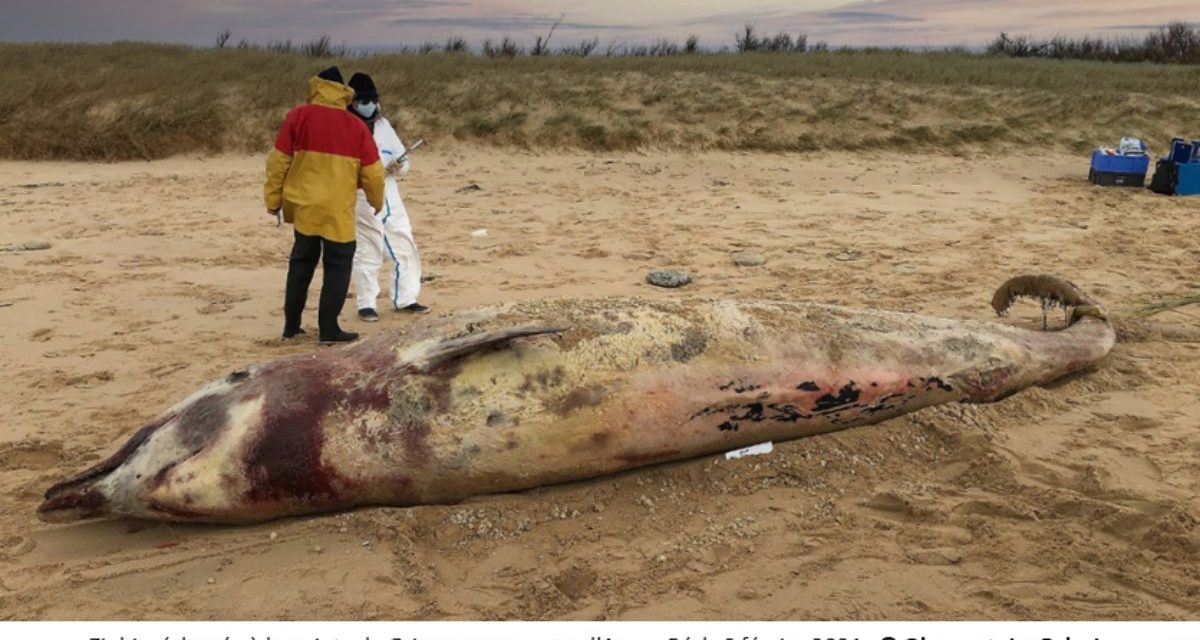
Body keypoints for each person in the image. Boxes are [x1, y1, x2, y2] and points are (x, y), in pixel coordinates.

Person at [264, 66, 385, 343]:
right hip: (337, 210)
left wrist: (273, 200)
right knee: (338, 266)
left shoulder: (297, 117)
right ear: (342, 91)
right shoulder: (355, 125)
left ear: (316, 87)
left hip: (304, 206)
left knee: (300, 264)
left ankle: (291, 327)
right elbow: (374, 172)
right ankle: (329, 328)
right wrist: (377, 201)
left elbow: (278, 162)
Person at [345, 72, 430, 321]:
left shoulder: (384, 126)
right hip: (361, 194)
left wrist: (397, 166)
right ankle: (366, 303)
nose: (368, 105)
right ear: (352, 101)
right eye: (363, 100)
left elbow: (403, 158)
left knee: (404, 242)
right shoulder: (346, 126)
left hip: (390, 192)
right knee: (368, 247)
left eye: (372, 99)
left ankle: (406, 298)